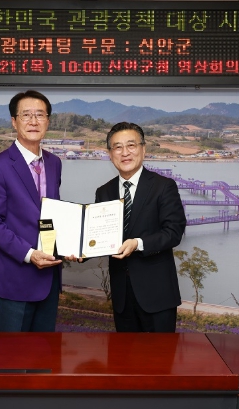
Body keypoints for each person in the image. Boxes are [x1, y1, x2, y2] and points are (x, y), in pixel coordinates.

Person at [0, 90, 62, 332]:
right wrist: (29, 254)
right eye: (26, 115)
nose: (33, 121)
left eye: (40, 115)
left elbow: (50, 214)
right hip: (14, 278)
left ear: (48, 121)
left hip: (49, 276)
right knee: (12, 353)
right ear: (14, 122)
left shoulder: (54, 163)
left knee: (44, 352)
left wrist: (71, 246)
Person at [95, 122, 186, 332]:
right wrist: (81, 251)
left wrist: (138, 243)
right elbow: (99, 235)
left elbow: (173, 232)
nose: (125, 153)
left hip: (157, 295)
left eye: (131, 145)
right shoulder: (104, 191)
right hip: (121, 297)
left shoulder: (164, 186)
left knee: (160, 353)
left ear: (143, 149)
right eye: (117, 147)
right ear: (110, 153)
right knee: (124, 353)